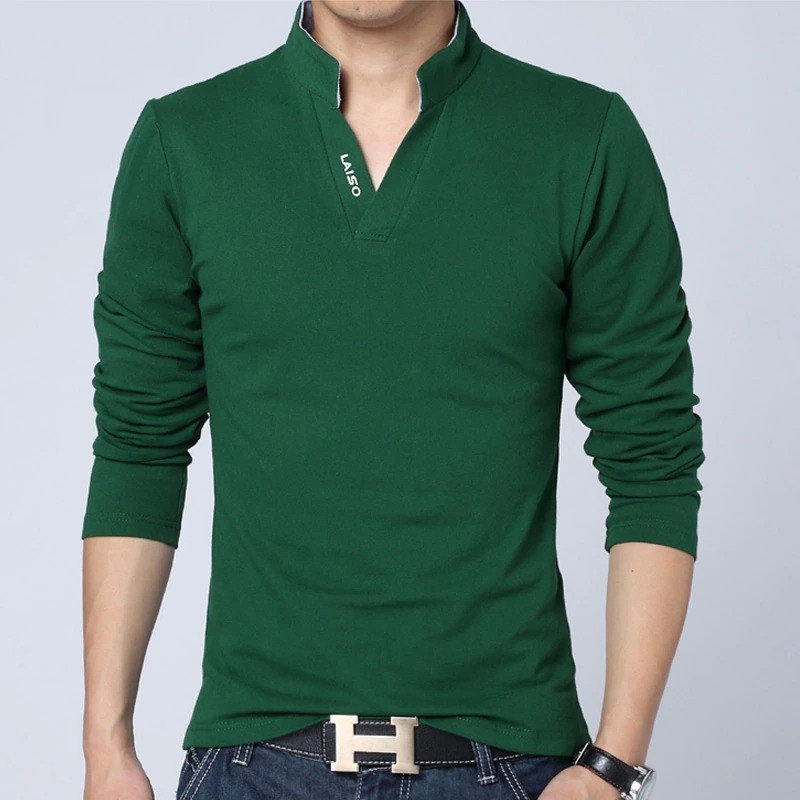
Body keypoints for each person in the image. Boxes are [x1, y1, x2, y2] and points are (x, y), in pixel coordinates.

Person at [80, 2, 705, 799]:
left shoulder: (581, 138)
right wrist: (106, 750)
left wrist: (611, 768)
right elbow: (139, 447)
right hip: (254, 767)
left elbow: (652, 460)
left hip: (509, 769)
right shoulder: (187, 141)